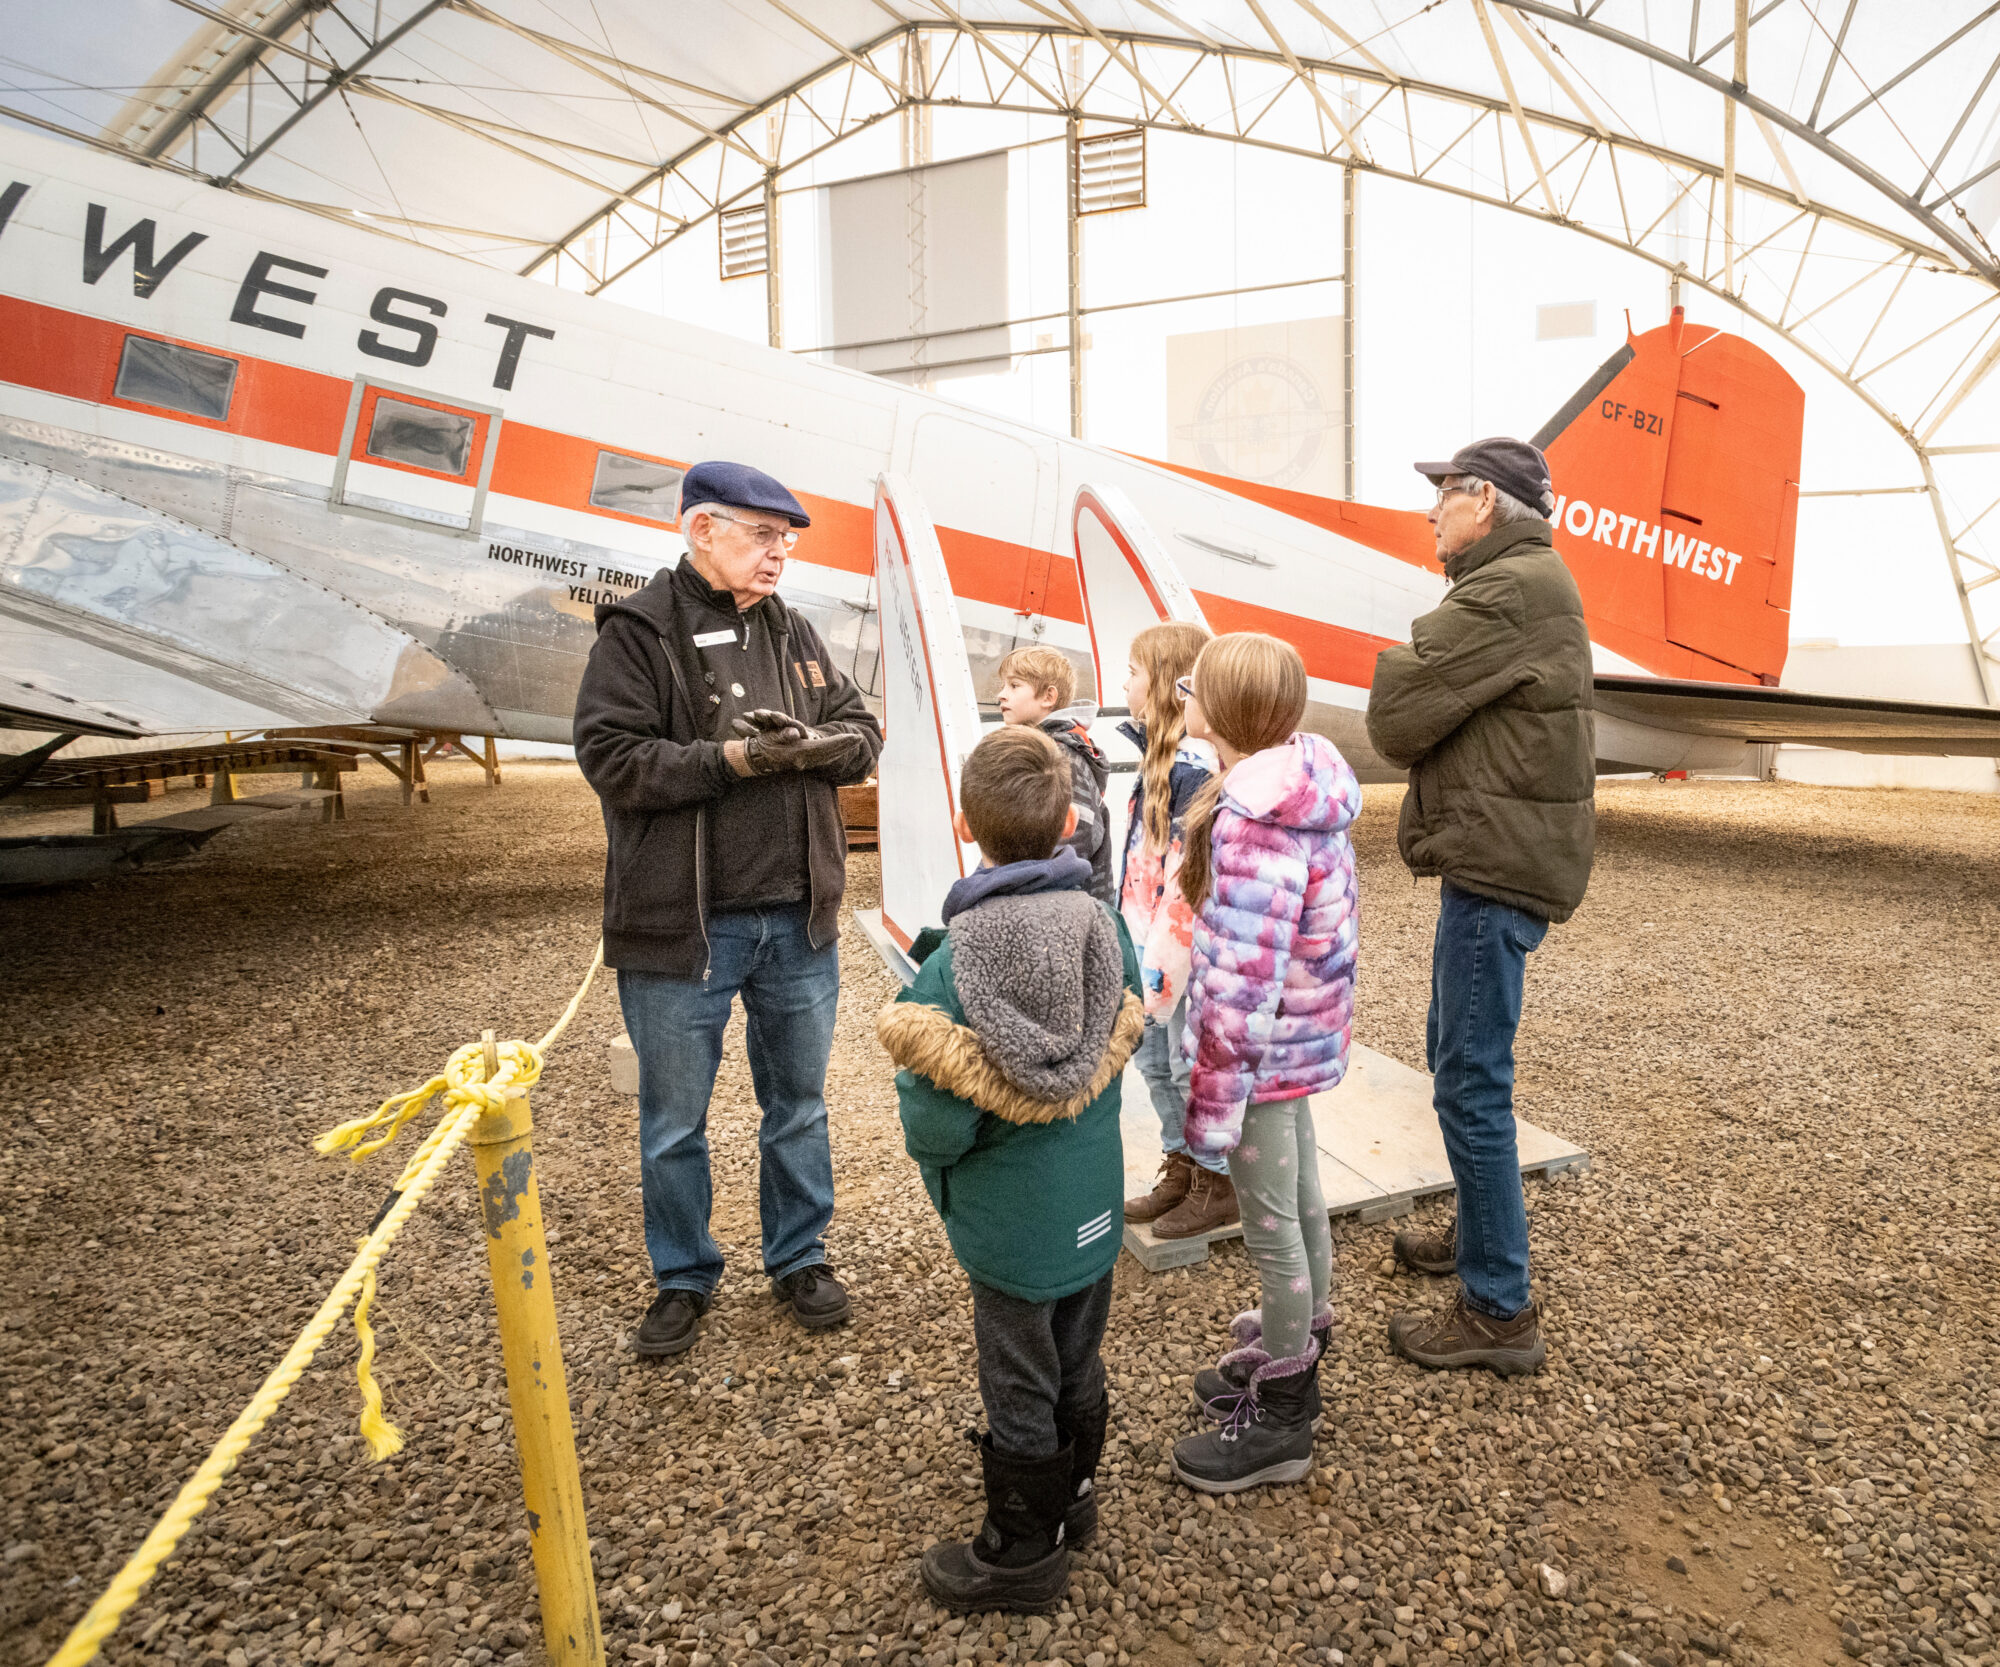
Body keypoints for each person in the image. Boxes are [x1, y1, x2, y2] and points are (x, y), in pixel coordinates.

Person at [573, 460, 883, 1360]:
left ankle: (800, 1257)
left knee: (800, 1106)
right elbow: (612, 758)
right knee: (674, 1121)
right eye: (762, 534)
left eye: (785, 539)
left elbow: (863, 734)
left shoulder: (795, 631)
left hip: (798, 922)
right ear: (701, 529)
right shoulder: (638, 633)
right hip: (684, 929)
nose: (779, 552)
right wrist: (731, 762)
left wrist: (816, 743)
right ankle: (683, 1274)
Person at [877, 724, 1143, 1612]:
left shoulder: (954, 965)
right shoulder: (1106, 927)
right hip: (1093, 1206)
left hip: (1010, 1227)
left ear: (966, 825)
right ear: (1070, 822)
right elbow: (1124, 1035)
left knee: (1018, 1372)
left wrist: (941, 1167)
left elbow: (936, 1121)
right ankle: (1074, 1494)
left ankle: (1023, 1548)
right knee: (1078, 1349)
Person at [1364, 437, 1594, 1377]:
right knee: (1456, 1058)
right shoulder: (1529, 581)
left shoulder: (1505, 590)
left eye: (1445, 494)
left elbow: (1394, 715)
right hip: (1499, 855)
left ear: (1486, 501)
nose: (1432, 511)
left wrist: (1405, 666)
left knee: (1468, 1080)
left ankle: (1498, 1305)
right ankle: (1478, 1237)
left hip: (1494, 867)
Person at [1166, 633, 1361, 1495]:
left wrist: (1213, 1103)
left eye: (1192, 686)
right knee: (1303, 1199)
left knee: (1272, 1226)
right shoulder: (1307, 792)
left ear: (1223, 710)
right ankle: (1300, 1341)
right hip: (1299, 1045)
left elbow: (1242, 985)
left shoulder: (1254, 822)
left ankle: (1284, 1418)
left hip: (1259, 1060)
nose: (1183, 696)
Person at [1114, 621, 1241, 1241]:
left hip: (1175, 959)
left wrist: (1158, 977)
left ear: (1165, 684)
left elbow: (1186, 887)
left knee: (1189, 1066)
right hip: (1149, 948)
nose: (1125, 684)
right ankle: (1182, 1161)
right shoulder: (1159, 761)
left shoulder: (1193, 772)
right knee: (1155, 1063)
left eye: (1133, 673)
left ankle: (1217, 1180)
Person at [994, 644, 1115, 905]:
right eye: (1003, 686)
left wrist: (1027, 891)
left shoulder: (1061, 757)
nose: (1001, 695)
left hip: (1065, 906)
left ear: (1048, 697)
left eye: (1014, 686)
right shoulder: (1047, 749)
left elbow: (1076, 841)